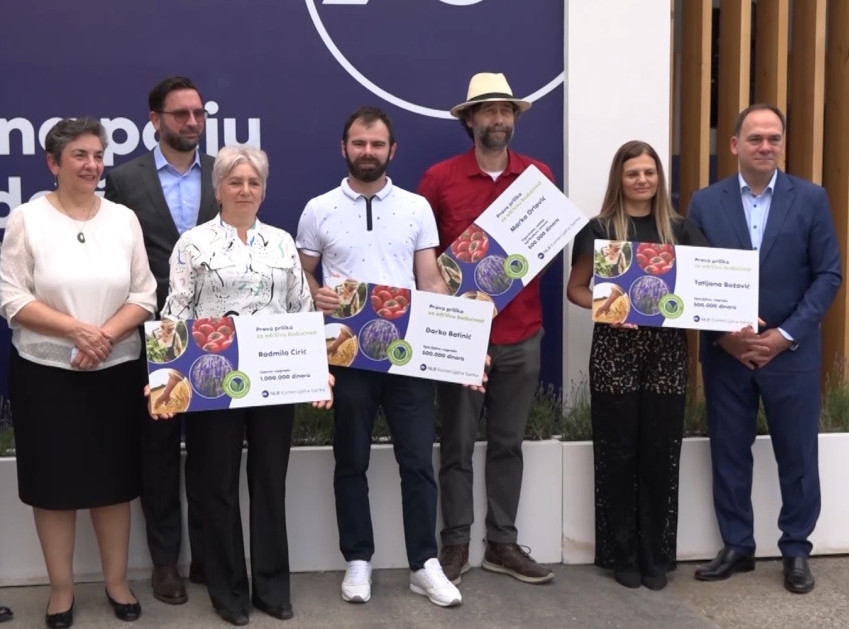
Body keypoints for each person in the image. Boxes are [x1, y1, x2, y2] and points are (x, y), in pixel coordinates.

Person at [296, 105, 463, 608]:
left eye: (376, 144)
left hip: (407, 355)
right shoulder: (318, 209)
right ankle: (358, 559)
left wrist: (460, 341)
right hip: (347, 355)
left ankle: (424, 564)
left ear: (392, 150)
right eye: (359, 143)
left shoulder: (416, 208)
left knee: (417, 461)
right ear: (344, 148)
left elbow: (430, 281)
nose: (367, 152)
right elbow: (301, 274)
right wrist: (316, 294)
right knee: (351, 460)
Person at [153, 145, 324, 625]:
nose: (245, 190)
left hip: (275, 381)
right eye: (235, 182)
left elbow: (302, 311)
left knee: (270, 483)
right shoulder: (193, 244)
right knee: (218, 486)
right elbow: (175, 312)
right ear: (219, 189)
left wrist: (318, 373)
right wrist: (164, 381)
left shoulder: (282, 242)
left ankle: (272, 588)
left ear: (263, 190)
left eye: (253, 182)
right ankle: (227, 590)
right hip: (211, 381)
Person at [0, 118, 157, 626]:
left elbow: (145, 294)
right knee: (52, 487)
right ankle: (61, 591)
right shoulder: (27, 219)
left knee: (114, 482)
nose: (92, 165)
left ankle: (117, 583)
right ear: (53, 163)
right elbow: (11, 296)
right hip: (46, 374)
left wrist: (103, 336)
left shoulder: (123, 219)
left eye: (97, 156)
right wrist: (76, 331)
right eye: (80, 156)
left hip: (116, 371)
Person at [688, 104, 842, 594]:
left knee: (798, 456)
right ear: (734, 144)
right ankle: (738, 545)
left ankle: (796, 549)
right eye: (755, 138)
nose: (766, 146)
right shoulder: (704, 203)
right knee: (729, 453)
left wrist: (784, 336)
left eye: (774, 138)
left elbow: (828, 274)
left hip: (791, 353)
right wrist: (725, 337)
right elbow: (692, 277)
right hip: (726, 354)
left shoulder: (811, 199)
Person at [417, 72, 555, 585]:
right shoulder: (439, 179)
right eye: (490, 110)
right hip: (460, 337)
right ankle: (455, 542)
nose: (499, 119)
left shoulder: (538, 176)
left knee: (508, 444)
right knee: (455, 444)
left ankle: (502, 543)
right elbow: (424, 259)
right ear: (470, 119)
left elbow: (546, 245)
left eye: (506, 111)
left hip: (523, 332)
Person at [566, 140, 707, 590]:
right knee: (618, 452)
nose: (642, 180)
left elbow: (705, 288)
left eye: (649, 172)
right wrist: (608, 307)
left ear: (659, 177)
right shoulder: (599, 229)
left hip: (667, 353)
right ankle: (621, 552)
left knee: (661, 453)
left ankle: (655, 555)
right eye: (633, 173)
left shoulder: (681, 230)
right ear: (619, 179)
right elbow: (576, 288)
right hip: (615, 350)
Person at [105, 76, 218, 605]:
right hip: (154, 335)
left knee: (212, 452)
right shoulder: (124, 180)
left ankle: (209, 556)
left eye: (198, 113)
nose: (191, 122)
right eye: (180, 114)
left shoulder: (223, 172)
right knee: (158, 454)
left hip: (216, 336)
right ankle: (165, 562)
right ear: (155, 120)